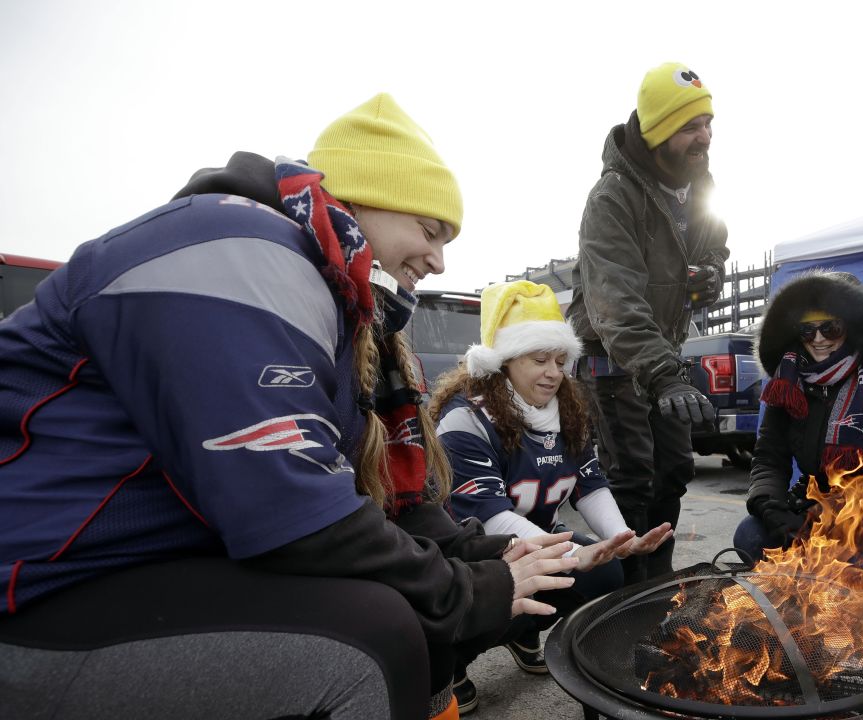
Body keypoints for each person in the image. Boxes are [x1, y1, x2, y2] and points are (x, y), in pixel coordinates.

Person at [0, 93, 579, 720]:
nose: (440, 259)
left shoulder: (332, 299)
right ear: (360, 200)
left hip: (137, 565)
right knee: (376, 637)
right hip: (38, 585)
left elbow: (387, 506)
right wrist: (470, 591)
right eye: (429, 229)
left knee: (422, 603)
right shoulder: (239, 246)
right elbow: (290, 508)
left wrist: (488, 558)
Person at [429, 279, 673, 713]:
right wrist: (567, 557)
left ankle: (524, 633)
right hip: (471, 555)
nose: (553, 372)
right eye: (539, 359)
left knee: (605, 574)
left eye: (560, 360)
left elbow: (590, 485)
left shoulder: (567, 411)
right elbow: (491, 517)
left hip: (540, 539)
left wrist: (621, 539)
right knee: (511, 579)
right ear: (502, 362)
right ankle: (454, 661)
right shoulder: (465, 419)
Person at [567, 62, 730, 585]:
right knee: (632, 478)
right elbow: (614, 303)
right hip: (614, 358)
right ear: (659, 132)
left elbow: (716, 248)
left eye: (707, 121)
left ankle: (656, 584)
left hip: (660, 355)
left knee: (675, 470)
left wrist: (711, 275)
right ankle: (619, 596)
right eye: (690, 126)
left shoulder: (700, 189)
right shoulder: (613, 197)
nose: (704, 135)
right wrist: (663, 375)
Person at [735, 271, 863, 590]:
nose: (819, 339)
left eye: (830, 327)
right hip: (812, 511)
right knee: (750, 535)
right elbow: (769, 459)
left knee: (838, 578)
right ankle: (793, 608)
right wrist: (774, 510)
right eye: (807, 330)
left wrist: (821, 525)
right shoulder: (789, 384)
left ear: (853, 328)